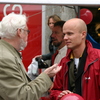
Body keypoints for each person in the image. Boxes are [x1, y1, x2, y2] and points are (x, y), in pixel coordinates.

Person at [0, 13, 62, 100]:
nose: (28, 35)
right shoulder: (5, 58)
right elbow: (21, 96)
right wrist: (46, 76)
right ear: (19, 32)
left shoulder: (8, 53)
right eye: (27, 31)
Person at [50, 18, 100, 100]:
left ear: (83, 34)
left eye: (69, 34)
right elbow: (55, 90)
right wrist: (60, 94)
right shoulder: (64, 62)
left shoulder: (98, 58)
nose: (65, 38)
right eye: (64, 34)